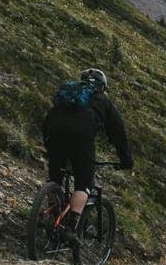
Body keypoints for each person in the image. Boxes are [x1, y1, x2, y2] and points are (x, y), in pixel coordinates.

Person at [41, 67, 132, 235]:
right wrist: (125, 158)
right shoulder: (103, 100)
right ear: (102, 87)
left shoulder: (69, 94)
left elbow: (49, 118)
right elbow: (118, 132)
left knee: (55, 177)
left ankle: (51, 216)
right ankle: (71, 228)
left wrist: (48, 145)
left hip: (54, 133)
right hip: (81, 138)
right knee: (84, 183)